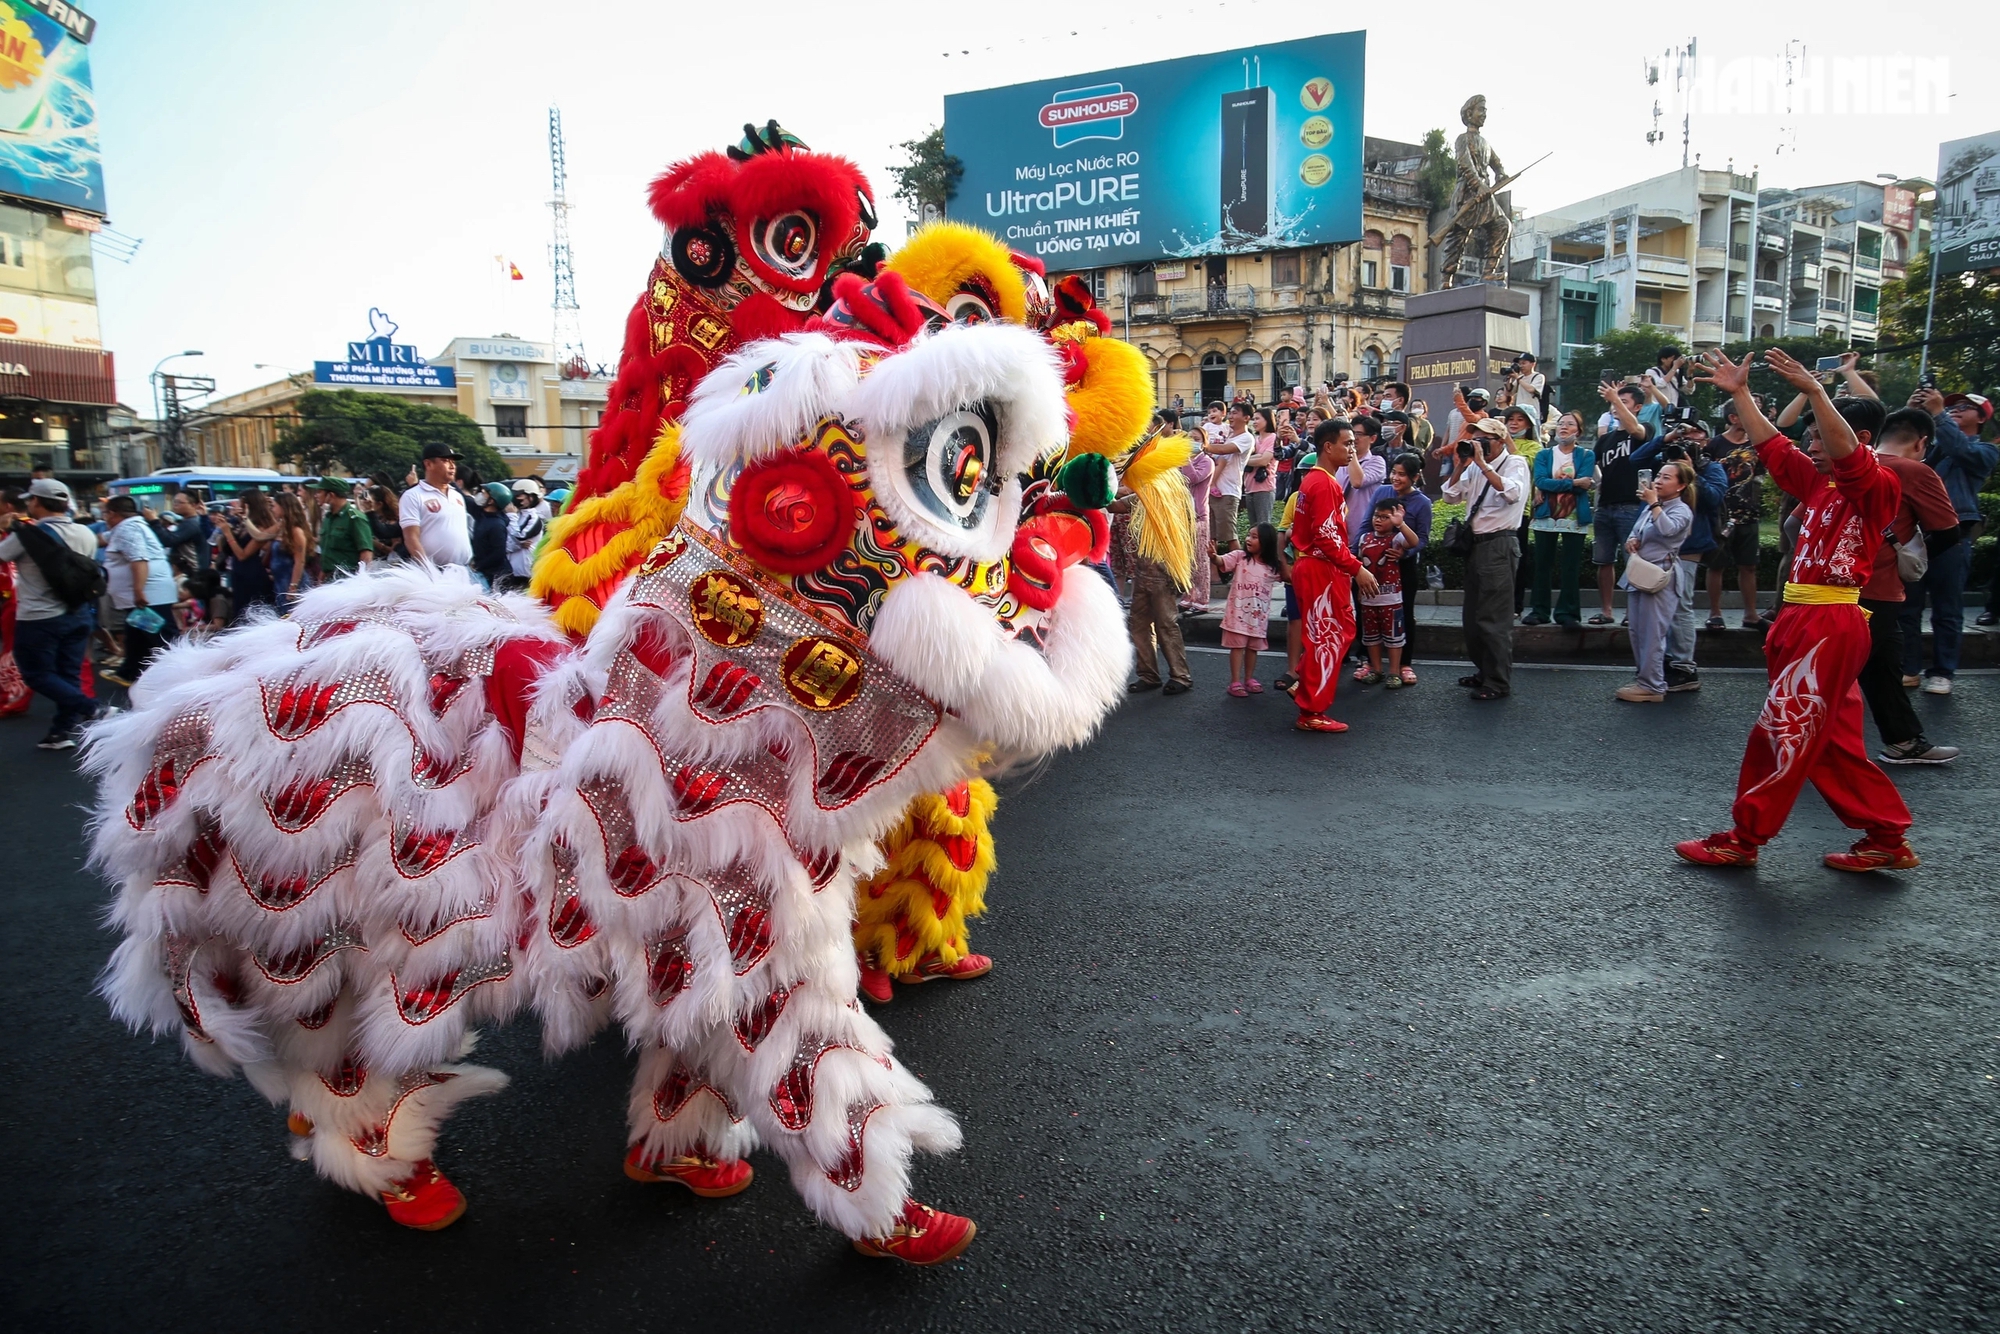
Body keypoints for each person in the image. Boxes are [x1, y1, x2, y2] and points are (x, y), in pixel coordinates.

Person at [1676, 348, 1917, 873]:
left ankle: (1744, 838)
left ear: (1861, 441)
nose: (1809, 445)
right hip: (1802, 618)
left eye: (1818, 437)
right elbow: (1774, 446)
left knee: (1781, 727)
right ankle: (1885, 835)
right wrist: (1740, 395)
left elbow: (1848, 457)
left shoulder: (1877, 485)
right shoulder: (1818, 482)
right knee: (1827, 738)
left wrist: (1816, 391)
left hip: (1829, 622)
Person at [1864, 408, 1962, 765]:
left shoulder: (1848, 464)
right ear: (1922, 442)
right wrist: (1903, 560)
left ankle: (1903, 740)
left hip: (1831, 587)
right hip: (1879, 587)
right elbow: (1949, 532)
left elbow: (1795, 525)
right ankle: (1803, 745)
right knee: (1840, 673)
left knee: (1884, 665)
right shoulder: (1915, 471)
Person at [1897, 388, 1996, 695]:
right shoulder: (1927, 444)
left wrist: (1938, 415)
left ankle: (1943, 671)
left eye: (1966, 407)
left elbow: (1960, 450)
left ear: (1981, 419)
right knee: (1906, 607)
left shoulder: (1985, 451)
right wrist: (1911, 414)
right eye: (1953, 406)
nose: (1956, 410)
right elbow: (1893, 453)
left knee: (1947, 608)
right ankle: (1908, 668)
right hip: (1913, 534)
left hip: (1953, 538)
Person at [0, 477, 102, 748]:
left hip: (39, 615)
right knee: (68, 672)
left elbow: (2, 556)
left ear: (36, 502)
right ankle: (60, 733)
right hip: (79, 612)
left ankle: (91, 709)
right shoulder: (86, 532)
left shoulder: (26, 536)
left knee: (36, 673)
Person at [1289, 419, 1377, 732]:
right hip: (1321, 569)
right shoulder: (1324, 484)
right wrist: (1357, 567)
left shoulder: (1315, 481)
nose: (1353, 449)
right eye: (1347, 443)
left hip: (1314, 567)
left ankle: (1305, 688)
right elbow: (1326, 538)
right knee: (1328, 636)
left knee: (1331, 632)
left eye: (1354, 443)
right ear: (1328, 447)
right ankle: (1311, 711)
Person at [1442, 418, 1528, 701]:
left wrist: (1482, 463)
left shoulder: (1515, 463)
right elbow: (1451, 496)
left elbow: (1512, 493)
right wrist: (1461, 462)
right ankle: (1484, 672)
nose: (1478, 444)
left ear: (1500, 441)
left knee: (1494, 619)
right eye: (1475, 438)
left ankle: (1498, 681)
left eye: (1485, 439)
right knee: (1472, 618)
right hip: (1476, 547)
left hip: (1500, 545)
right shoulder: (1474, 468)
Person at [1613, 460, 1694, 703]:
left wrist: (1654, 503)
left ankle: (1654, 686)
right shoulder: (1651, 507)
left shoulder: (1680, 510)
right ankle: (1645, 679)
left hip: (1661, 576)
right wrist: (1632, 540)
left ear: (1681, 486)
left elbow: (1669, 531)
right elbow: (1637, 531)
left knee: (1653, 633)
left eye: (1667, 478)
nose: (1658, 481)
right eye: (1659, 475)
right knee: (1637, 630)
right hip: (1641, 573)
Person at [1589, 382, 1657, 625]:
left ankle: (1632, 612)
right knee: (1603, 560)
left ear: (1638, 407)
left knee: (1633, 561)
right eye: (1614, 401)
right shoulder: (1605, 439)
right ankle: (1606, 610)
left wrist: (1614, 398)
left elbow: (1637, 430)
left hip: (1631, 505)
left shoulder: (1644, 429)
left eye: (1623, 401)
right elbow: (1589, 466)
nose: (1616, 405)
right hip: (1605, 505)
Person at [97, 495, 179, 687]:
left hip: (149, 594)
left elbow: (139, 559)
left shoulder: (128, 529)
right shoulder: (128, 527)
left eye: (105, 514)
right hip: (145, 595)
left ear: (113, 513)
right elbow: (101, 539)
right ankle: (130, 671)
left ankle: (183, 674)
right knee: (136, 633)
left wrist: (138, 590)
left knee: (161, 637)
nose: (104, 519)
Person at [1525, 410, 1595, 627]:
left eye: (1570, 424)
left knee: (1571, 566)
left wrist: (1567, 485)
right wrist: (1573, 483)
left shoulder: (1585, 455)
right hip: (1546, 515)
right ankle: (1539, 611)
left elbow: (1587, 483)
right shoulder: (1545, 455)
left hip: (1575, 516)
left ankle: (1568, 613)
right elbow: (1542, 482)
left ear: (1579, 431)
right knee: (1542, 565)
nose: (1564, 427)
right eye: (1561, 424)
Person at [1702, 400, 1763, 631]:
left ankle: (1751, 613)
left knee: (1749, 566)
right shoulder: (1714, 445)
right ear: (1733, 418)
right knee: (1716, 565)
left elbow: (1760, 475)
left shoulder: (1758, 444)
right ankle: (1715, 613)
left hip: (1748, 513)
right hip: (1720, 514)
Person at [1212, 522, 1284, 696]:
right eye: (1248, 535)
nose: (1248, 539)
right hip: (1237, 615)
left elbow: (1288, 576)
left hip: (1257, 618)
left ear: (1266, 541)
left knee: (1252, 648)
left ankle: (1249, 678)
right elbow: (1221, 561)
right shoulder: (1240, 557)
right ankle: (1235, 681)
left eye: (1254, 536)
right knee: (1237, 647)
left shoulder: (1272, 567)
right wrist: (1213, 557)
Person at [1355, 496, 1417, 688]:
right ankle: (1376, 669)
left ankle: (1394, 671)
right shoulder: (1364, 538)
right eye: (1376, 515)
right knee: (1371, 636)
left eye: (1384, 517)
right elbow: (1358, 563)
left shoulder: (1396, 539)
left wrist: (1402, 524)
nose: (1378, 520)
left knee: (1394, 637)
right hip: (1368, 598)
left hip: (1391, 599)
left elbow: (1413, 542)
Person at [1381, 452, 1430, 686]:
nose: (1395, 478)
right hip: (1376, 564)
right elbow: (1364, 524)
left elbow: (1422, 539)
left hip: (1405, 566)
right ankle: (1368, 661)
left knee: (1404, 614)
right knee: (1370, 611)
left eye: (1401, 474)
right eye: (1394, 472)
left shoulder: (1422, 503)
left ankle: (1404, 663)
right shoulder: (1382, 492)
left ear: (1415, 477)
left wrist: (1405, 552)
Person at [399, 442, 473, 569]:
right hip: (434, 570)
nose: (452, 466)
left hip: (462, 569)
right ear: (428, 464)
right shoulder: (413, 495)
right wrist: (428, 569)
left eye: (453, 462)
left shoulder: (457, 496)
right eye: (445, 461)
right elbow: (411, 537)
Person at [218, 490, 277, 620]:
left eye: (240, 503)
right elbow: (228, 549)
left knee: (251, 615)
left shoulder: (260, 527)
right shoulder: (243, 524)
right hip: (238, 573)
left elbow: (243, 555)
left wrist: (228, 533)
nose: (236, 506)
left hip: (251, 574)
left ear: (248, 505)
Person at [1202, 404, 1252, 552]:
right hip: (1212, 489)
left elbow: (1223, 450)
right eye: (1229, 413)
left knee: (1230, 536)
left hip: (1228, 492)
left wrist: (1200, 444)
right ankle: (1214, 573)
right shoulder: (1226, 433)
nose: (1230, 416)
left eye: (1235, 413)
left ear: (1246, 418)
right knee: (1211, 537)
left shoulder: (1246, 437)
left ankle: (1240, 571)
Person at [1178, 442, 1215, 614]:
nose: (1191, 441)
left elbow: (1191, 478)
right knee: (1188, 561)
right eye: (1188, 438)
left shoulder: (1207, 462)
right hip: (1184, 517)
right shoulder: (1183, 462)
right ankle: (1188, 597)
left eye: (1195, 438)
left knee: (1200, 561)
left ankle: (1202, 601)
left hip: (1199, 517)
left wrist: (1185, 458)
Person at [314, 477, 375, 579]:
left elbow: (366, 553)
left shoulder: (354, 518)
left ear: (331, 495)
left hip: (347, 580)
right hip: (329, 579)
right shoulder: (329, 518)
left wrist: (360, 581)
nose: (316, 495)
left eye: (319, 492)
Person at [270, 490, 316, 613]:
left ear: (284, 507)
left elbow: (299, 561)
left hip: (291, 581)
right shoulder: (281, 528)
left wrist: (293, 587)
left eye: (274, 506)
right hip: (280, 582)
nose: (272, 509)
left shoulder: (296, 531)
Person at [505, 478, 550, 589]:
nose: (516, 498)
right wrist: (516, 545)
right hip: (511, 569)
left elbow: (520, 536)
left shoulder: (534, 518)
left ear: (531, 497)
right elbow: (507, 540)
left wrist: (511, 516)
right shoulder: (517, 515)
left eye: (519, 495)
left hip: (525, 571)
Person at [158, 490, 212, 578]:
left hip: (191, 574)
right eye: (174, 501)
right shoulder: (191, 521)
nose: (175, 505)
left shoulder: (191, 523)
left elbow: (169, 540)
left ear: (193, 505)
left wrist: (154, 522)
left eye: (179, 502)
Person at [472, 482, 514, 591]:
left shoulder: (497, 525)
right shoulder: (483, 516)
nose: (480, 495)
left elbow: (498, 553)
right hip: (485, 572)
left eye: (484, 493)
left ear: (491, 501)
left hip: (496, 576)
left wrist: (478, 565)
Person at [1242, 409, 1279, 528]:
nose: (1254, 422)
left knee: (1263, 526)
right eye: (1253, 419)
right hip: (1249, 487)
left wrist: (1243, 461)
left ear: (1267, 420)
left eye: (1257, 419)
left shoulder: (1274, 438)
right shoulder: (1254, 439)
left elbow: (1264, 460)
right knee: (1253, 527)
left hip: (1264, 488)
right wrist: (1254, 459)